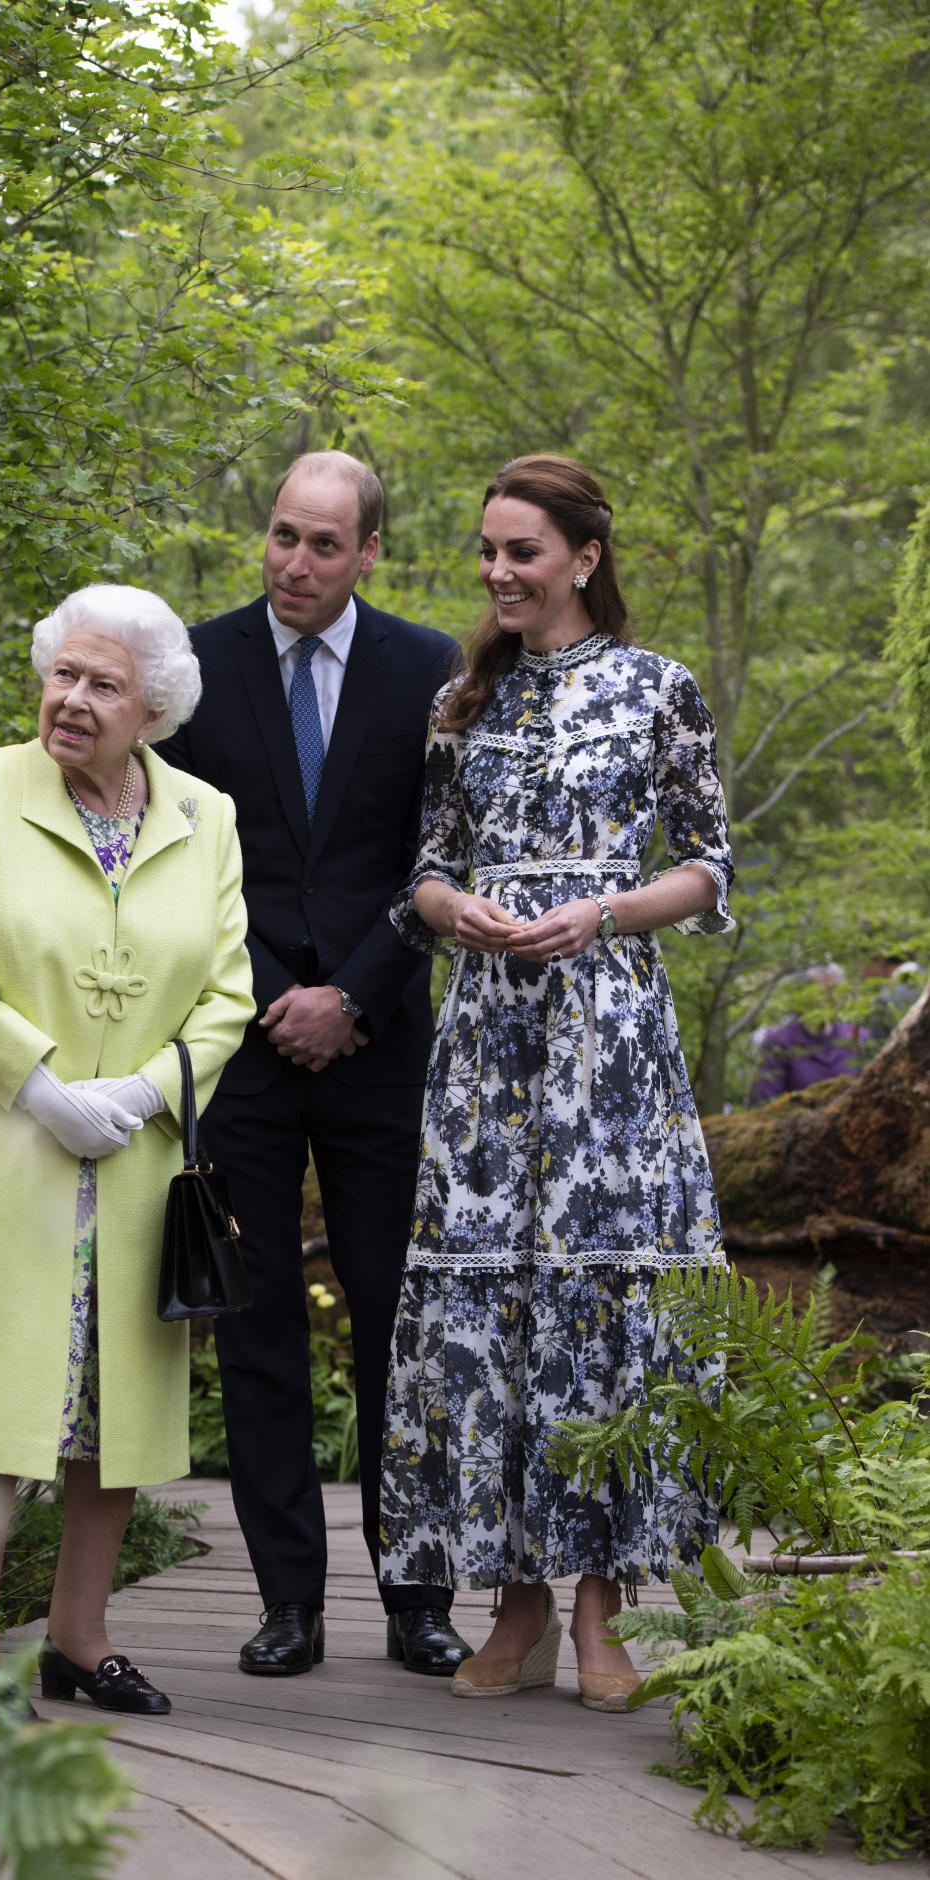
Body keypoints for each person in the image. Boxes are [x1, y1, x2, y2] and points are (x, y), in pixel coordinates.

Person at [380, 454, 734, 1712]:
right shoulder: (462, 702)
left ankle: (599, 1612)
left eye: (520, 551)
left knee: (597, 1307)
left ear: (583, 556)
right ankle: (512, 1607)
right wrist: (452, 907)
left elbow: (707, 869)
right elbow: (421, 871)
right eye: (487, 550)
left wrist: (607, 911)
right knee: (496, 1318)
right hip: (487, 1051)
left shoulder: (659, 692)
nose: (496, 572)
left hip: (608, 1043)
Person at [0, 584, 254, 1717]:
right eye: (63, 674)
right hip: (11, 1147)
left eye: (103, 685)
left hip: (139, 1162)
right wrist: (44, 1088)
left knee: (110, 1408)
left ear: (152, 707)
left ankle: (80, 1637)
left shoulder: (208, 815)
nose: (72, 700)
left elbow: (229, 992)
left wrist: (147, 1091)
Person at [157, 450, 469, 1677]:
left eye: (324, 544)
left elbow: (438, 852)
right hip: (240, 1046)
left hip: (381, 1041)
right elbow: (171, 854)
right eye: (283, 535)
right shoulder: (197, 662)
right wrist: (274, 994)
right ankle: (288, 1600)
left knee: (403, 1319)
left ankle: (416, 1599)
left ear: (371, 552)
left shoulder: (428, 667)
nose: (295, 562)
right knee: (259, 1325)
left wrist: (355, 992)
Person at [750, 964, 866, 1102]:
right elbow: (769, 1100)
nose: (829, 1000)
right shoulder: (779, 1041)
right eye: (821, 993)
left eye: (834, 991)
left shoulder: (856, 1037)